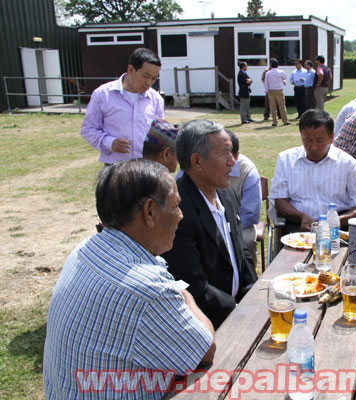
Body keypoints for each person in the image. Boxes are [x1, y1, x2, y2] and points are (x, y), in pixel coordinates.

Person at [44, 159, 216, 399]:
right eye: (175, 206)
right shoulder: (147, 290)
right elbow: (204, 350)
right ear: (150, 211)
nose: (180, 216)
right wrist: (185, 295)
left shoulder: (86, 249)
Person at [162, 120, 258, 329]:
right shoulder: (177, 211)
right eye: (224, 154)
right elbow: (194, 287)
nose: (232, 161)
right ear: (197, 162)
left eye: (232, 152)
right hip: (208, 324)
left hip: (238, 310)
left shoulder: (225, 193)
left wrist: (252, 287)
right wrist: (240, 310)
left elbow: (239, 246)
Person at [270, 109, 356, 233]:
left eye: (320, 141)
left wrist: (335, 221)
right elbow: (280, 200)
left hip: (338, 228)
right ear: (301, 136)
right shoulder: (286, 160)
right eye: (307, 140)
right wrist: (301, 217)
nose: (313, 147)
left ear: (331, 137)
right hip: (298, 227)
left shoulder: (347, 163)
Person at [81, 48, 164, 164]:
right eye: (146, 76)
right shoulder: (103, 95)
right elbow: (88, 129)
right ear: (131, 69)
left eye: (153, 78)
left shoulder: (156, 100)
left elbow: (159, 135)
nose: (149, 82)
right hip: (115, 169)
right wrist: (109, 143)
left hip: (147, 170)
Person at [227, 130, 262, 266]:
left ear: (236, 156)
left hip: (240, 223)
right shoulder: (197, 165)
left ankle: (248, 282)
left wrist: (227, 230)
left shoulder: (248, 171)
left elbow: (250, 215)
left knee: (246, 240)